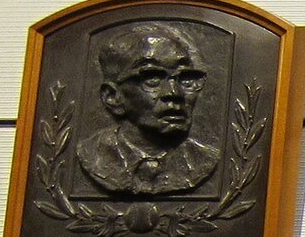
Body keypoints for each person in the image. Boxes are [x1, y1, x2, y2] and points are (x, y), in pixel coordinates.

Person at [75, 22, 219, 197]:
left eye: (186, 78)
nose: (174, 93)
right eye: (153, 78)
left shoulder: (204, 160)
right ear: (112, 97)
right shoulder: (92, 156)